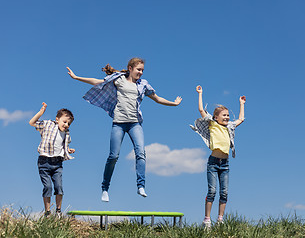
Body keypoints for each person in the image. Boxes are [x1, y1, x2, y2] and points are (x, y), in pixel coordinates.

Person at [67, 57, 182, 201]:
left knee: (141, 153)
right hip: (119, 123)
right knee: (113, 156)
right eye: (138, 69)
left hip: (135, 123)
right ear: (130, 68)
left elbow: (157, 99)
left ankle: (141, 186)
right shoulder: (119, 79)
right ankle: (105, 188)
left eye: (142, 70)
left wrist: (174, 103)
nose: (140, 72)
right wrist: (76, 77)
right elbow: (98, 82)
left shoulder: (143, 84)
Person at [190, 85, 246, 228]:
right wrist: (200, 93)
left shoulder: (230, 127)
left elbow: (241, 119)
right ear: (216, 117)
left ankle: (220, 219)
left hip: (225, 164)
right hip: (213, 163)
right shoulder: (212, 124)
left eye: (228, 115)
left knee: (224, 193)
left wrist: (241, 104)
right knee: (212, 191)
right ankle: (207, 220)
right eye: (224, 115)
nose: (227, 117)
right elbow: (201, 110)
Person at [29, 102, 75, 217]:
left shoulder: (67, 133)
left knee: (59, 187)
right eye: (64, 121)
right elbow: (32, 123)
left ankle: (58, 211)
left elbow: (63, 145)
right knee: (48, 187)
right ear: (57, 119)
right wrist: (41, 113)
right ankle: (48, 212)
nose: (66, 125)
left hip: (57, 163)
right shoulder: (48, 125)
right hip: (44, 162)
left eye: (69, 123)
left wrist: (68, 150)